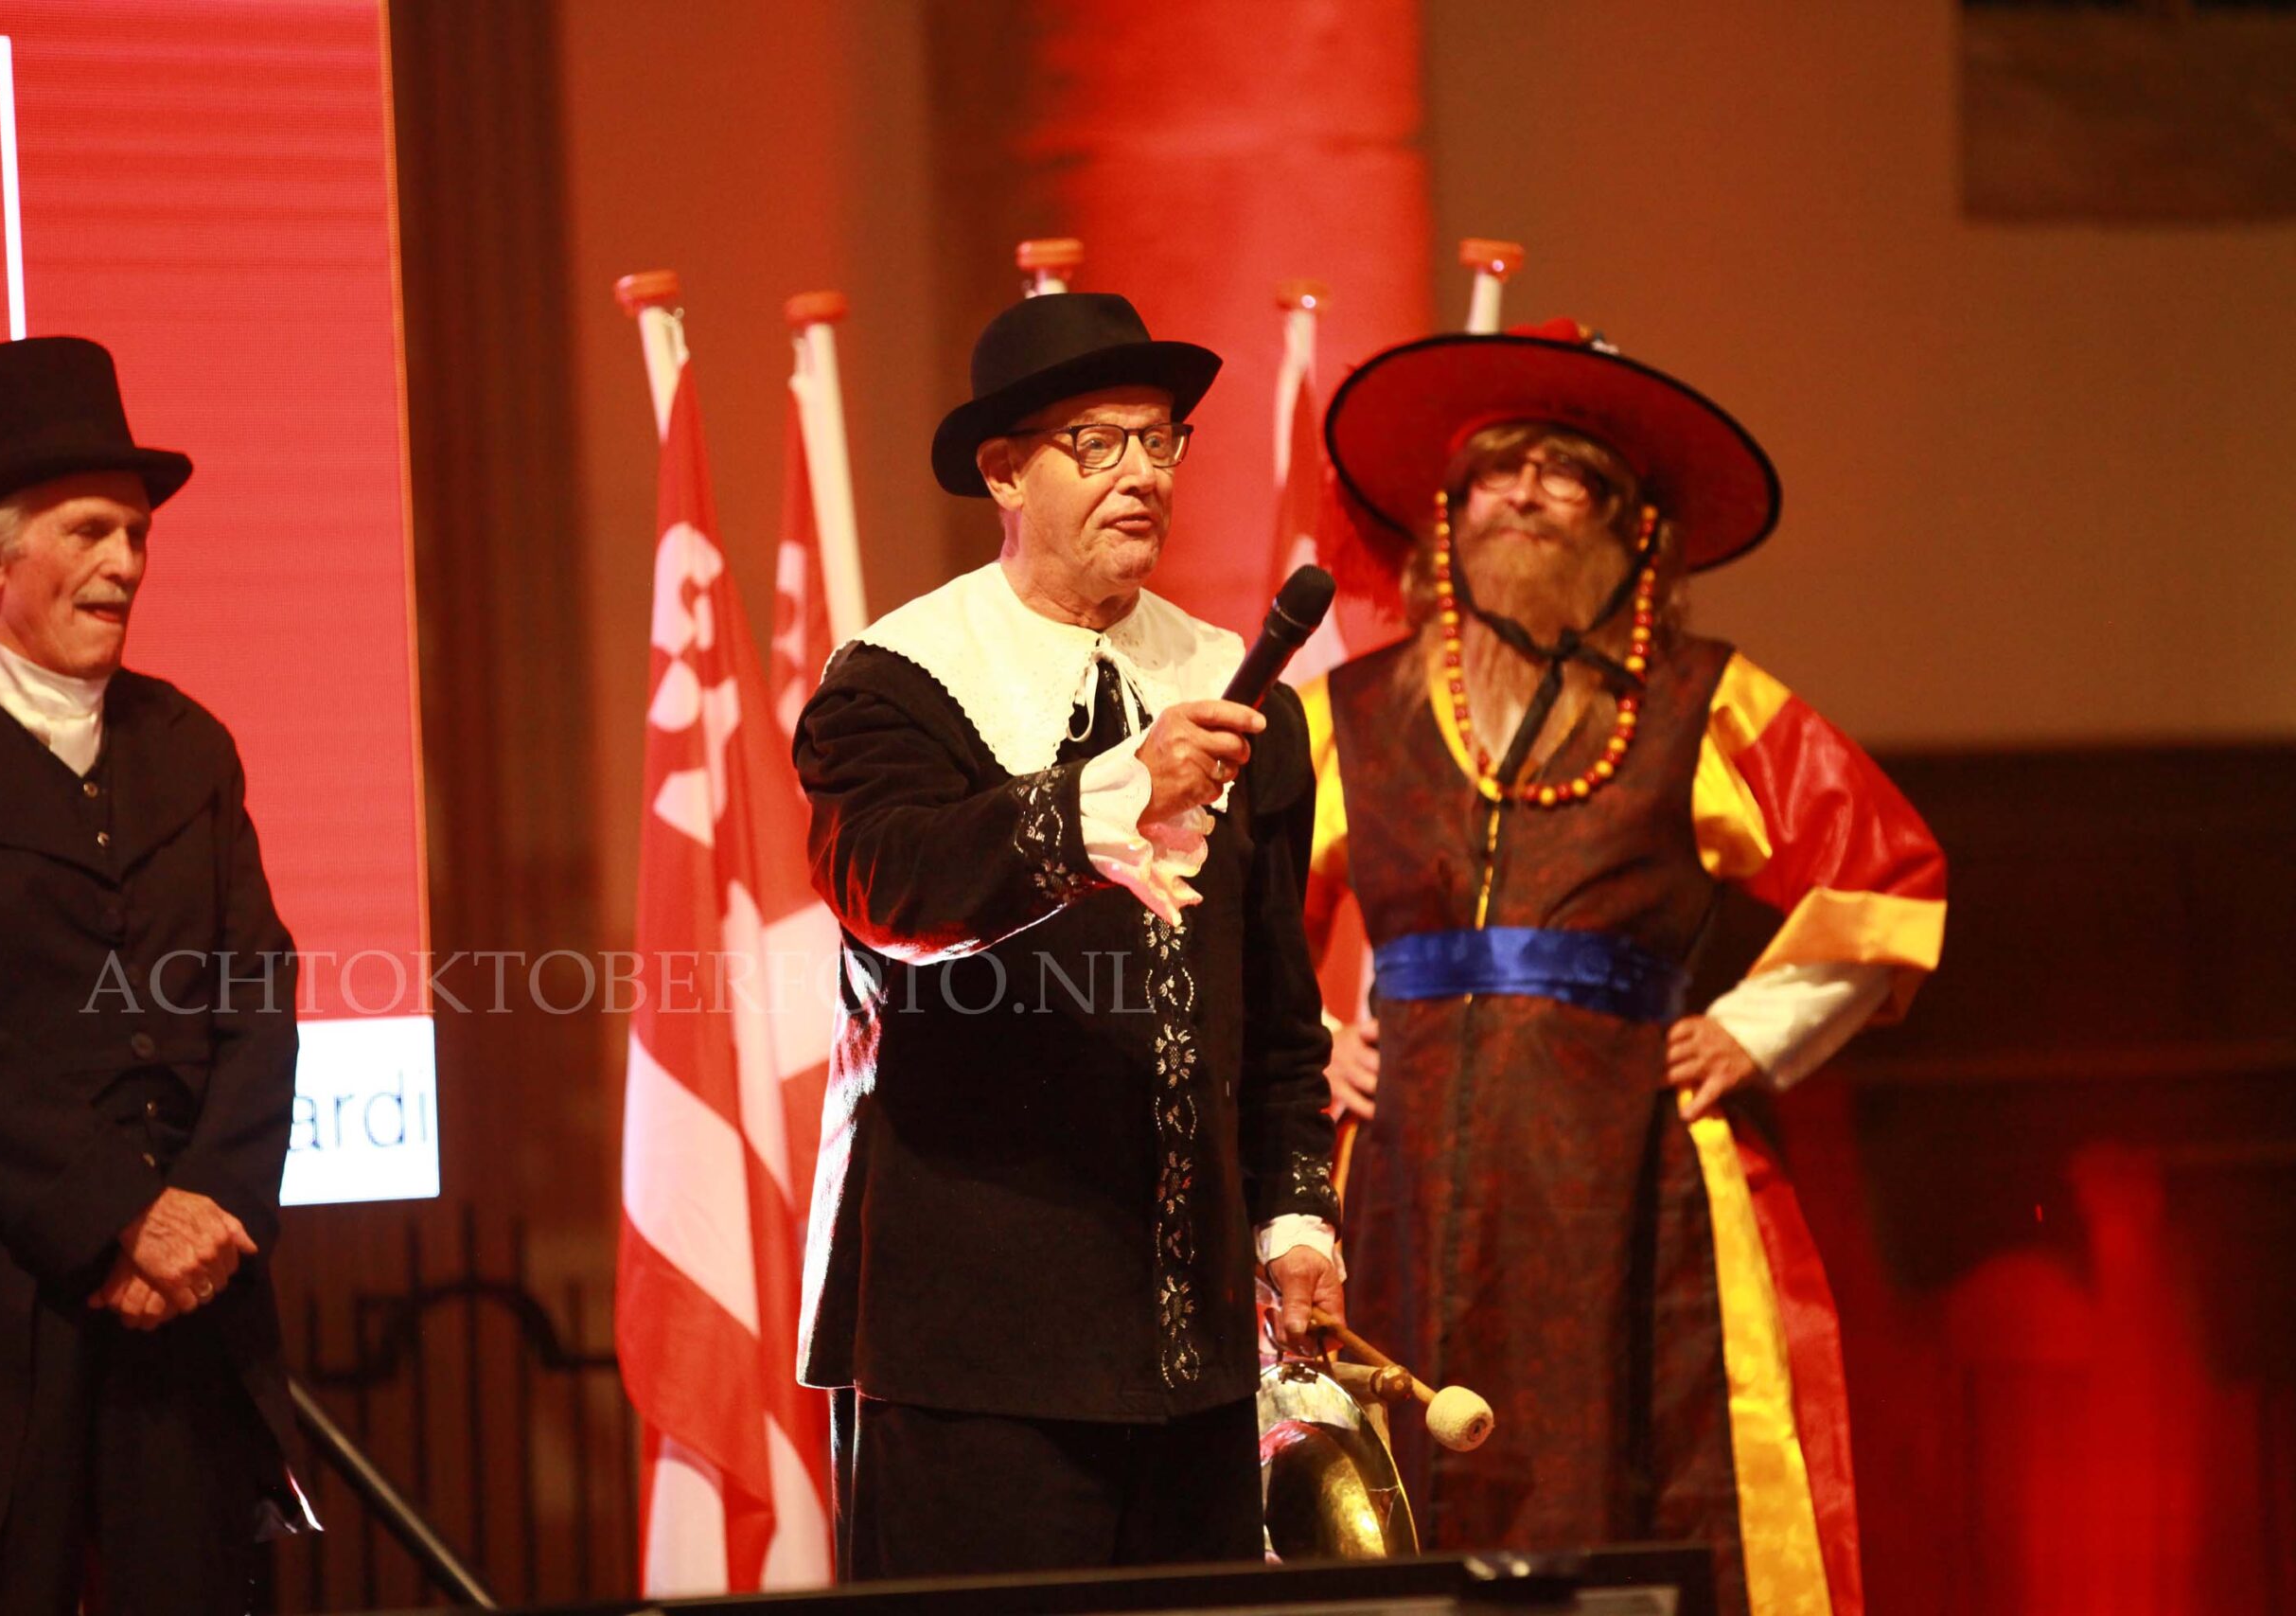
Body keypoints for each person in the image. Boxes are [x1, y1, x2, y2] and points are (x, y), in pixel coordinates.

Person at [1304, 319, 1947, 1615]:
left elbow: (1885, 878)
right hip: (1399, 1182)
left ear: (1632, 528)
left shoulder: (1706, 701)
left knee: (1633, 1477)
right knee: (1395, 1495)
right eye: (1497, 469)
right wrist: (1312, 1040)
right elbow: (1208, 907)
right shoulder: (1348, 715)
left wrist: (1757, 1029)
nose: (1526, 493)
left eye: (1568, 473)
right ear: (1449, 516)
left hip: (1630, 1182)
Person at [793, 292, 1344, 1578]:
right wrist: (1114, 795)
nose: (1142, 473)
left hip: (1194, 1357)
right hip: (974, 1356)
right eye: (1097, 443)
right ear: (1005, 472)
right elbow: (890, 888)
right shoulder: (895, 682)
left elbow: (1276, 1017)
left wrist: (1296, 1221)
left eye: (1161, 440)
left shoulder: (1234, 688)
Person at [0, 337, 306, 1613]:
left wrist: (209, 1209)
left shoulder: (190, 745)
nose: (127, 563)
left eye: (136, 534)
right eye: (90, 532)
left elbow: (258, 990)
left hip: (189, 1322)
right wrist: (120, 1214)